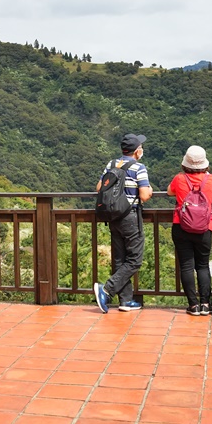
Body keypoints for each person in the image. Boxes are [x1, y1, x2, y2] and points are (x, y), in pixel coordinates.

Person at [93, 133, 152, 312]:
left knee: (120, 259)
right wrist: (149, 189)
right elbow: (144, 196)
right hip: (130, 217)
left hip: (113, 217)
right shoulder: (139, 167)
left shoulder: (111, 164)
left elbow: (98, 188)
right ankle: (106, 289)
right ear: (137, 151)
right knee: (135, 260)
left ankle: (125, 301)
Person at [167, 145, 212, 316]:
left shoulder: (179, 179)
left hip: (181, 226)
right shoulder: (211, 179)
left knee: (186, 266)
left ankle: (193, 305)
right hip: (204, 228)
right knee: (202, 265)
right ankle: (205, 304)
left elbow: (170, 192)